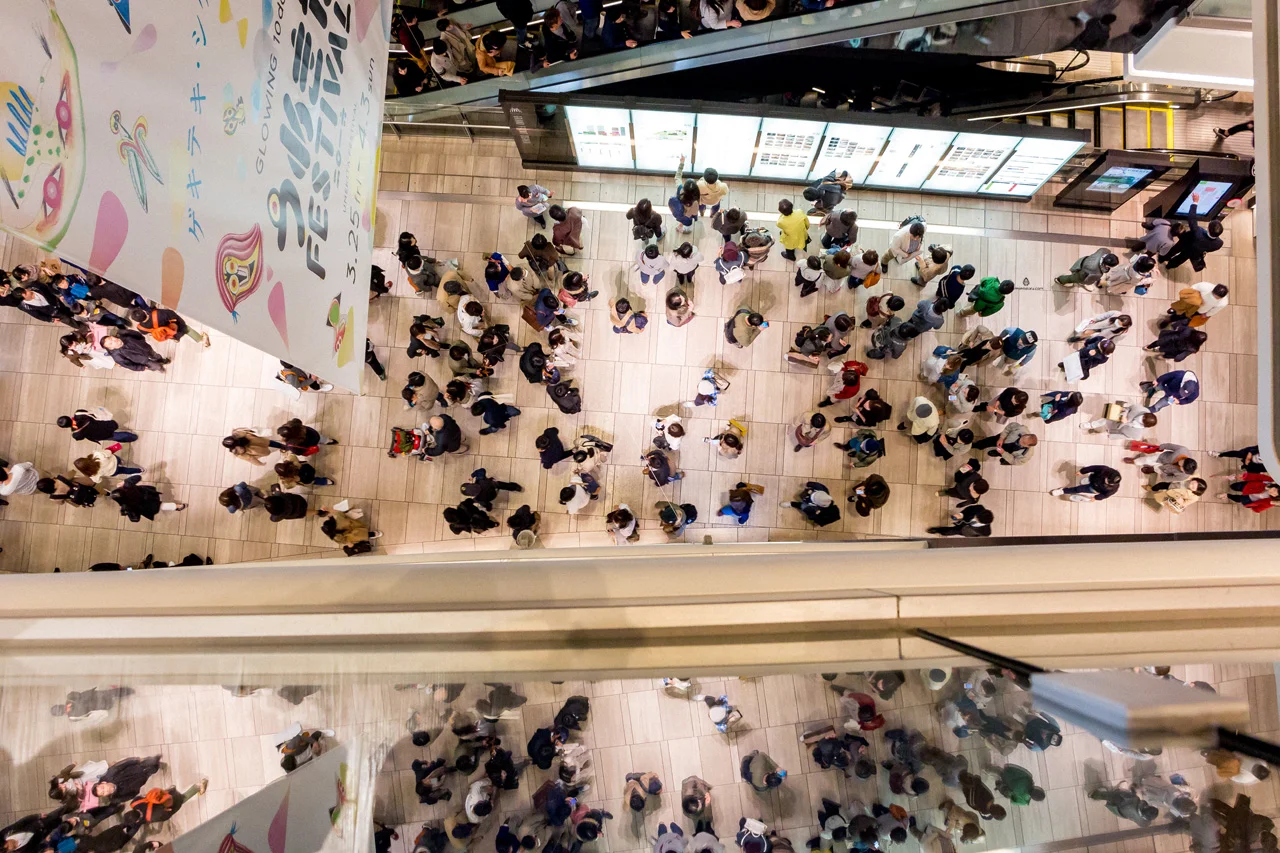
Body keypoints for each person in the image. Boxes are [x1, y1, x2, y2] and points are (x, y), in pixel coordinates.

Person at [1162, 203, 1224, 270]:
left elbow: (1191, 218)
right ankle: (1169, 266)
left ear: (1208, 229)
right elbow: (1209, 249)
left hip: (1185, 242)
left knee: (1174, 250)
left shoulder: (1198, 232)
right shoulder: (1219, 243)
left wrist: (1195, 203)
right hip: (1193, 252)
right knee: (1180, 259)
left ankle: (1163, 258)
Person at [109, 476, 187, 522]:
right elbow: (138, 477)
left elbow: (135, 519)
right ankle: (177, 506)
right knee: (160, 504)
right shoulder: (127, 485)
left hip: (147, 506)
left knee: (161, 506)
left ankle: (178, 507)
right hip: (148, 494)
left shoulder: (126, 506)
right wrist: (124, 482)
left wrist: (126, 512)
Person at [130, 306, 210, 347]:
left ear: (137, 321)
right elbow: (172, 314)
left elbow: (148, 333)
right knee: (188, 330)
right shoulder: (157, 313)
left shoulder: (141, 328)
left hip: (167, 334)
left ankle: (176, 339)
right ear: (144, 312)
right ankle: (203, 340)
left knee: (171, 335)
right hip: (176, 328)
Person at [1163, 281, 1230, 327]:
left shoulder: (1223, 303)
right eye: (1213, 295)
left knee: (1183, 316)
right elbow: (1192, 288)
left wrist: (1206, 315)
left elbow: (1214, 310)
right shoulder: (1205, 286)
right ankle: (1174, 310)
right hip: (1191, 303)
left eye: (1216, 298)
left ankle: (1170, 319)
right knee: (1181, 306)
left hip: (1198, 310)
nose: (1213, 298)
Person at [58, 407, 138, 445]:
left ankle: (133, 438)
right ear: (68, 417)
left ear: (66, 427)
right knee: (115, 428)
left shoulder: (76, 434)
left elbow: (80, 438)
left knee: (116, 436)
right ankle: (132, 436)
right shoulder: (79, 414)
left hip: (100, 434)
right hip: (104, 425)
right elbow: (90, 413)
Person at [1081, 403, 1156, 439]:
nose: (1141, 418)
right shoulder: (1140, 409)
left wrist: (1111, 436)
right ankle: (1091, 425)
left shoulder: (1137, 434)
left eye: (1142, 420)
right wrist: (1124, 416)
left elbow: (1125, 436)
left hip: (1117, 429)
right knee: (1104, 420)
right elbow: (1128, 408)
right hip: (1117, 418)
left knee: (1107, 428)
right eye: (1143, 416)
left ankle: (1103, 429)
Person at [1051, 465, 1121, 502]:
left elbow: (1105, 495)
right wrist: (1082, 471)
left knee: (1078, 489)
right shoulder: (1104, 469)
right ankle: (1088, 481)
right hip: (1093, 478)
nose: (1105, 481)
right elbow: (1092, 468)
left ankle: (1062, 491)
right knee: (1089, 479)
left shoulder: (1113, 489)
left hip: (1093, 488)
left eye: (1107, 482)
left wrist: (1096, 498)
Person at [927, 505, 994, 537]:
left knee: (949, 532)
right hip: (963, 521)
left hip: (964, 531)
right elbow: (968, 510)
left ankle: (938, 531)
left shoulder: (986, 532)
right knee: (953, 528)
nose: (974, 518)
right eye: (976, 516)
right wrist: (961, 515)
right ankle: (939, 530)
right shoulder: (979, 508)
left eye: (977, 519)